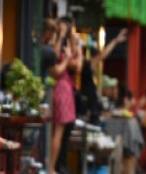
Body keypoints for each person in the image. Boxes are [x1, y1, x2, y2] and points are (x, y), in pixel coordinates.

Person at [47, 17, 81, 174]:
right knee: (58, 131)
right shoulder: (58, 43)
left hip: (63, 87)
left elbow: (77, 66)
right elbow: (53, 60)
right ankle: (51, 167)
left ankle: (52, 165)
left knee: (57, 130)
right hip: (62, 88)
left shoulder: (69, 44)